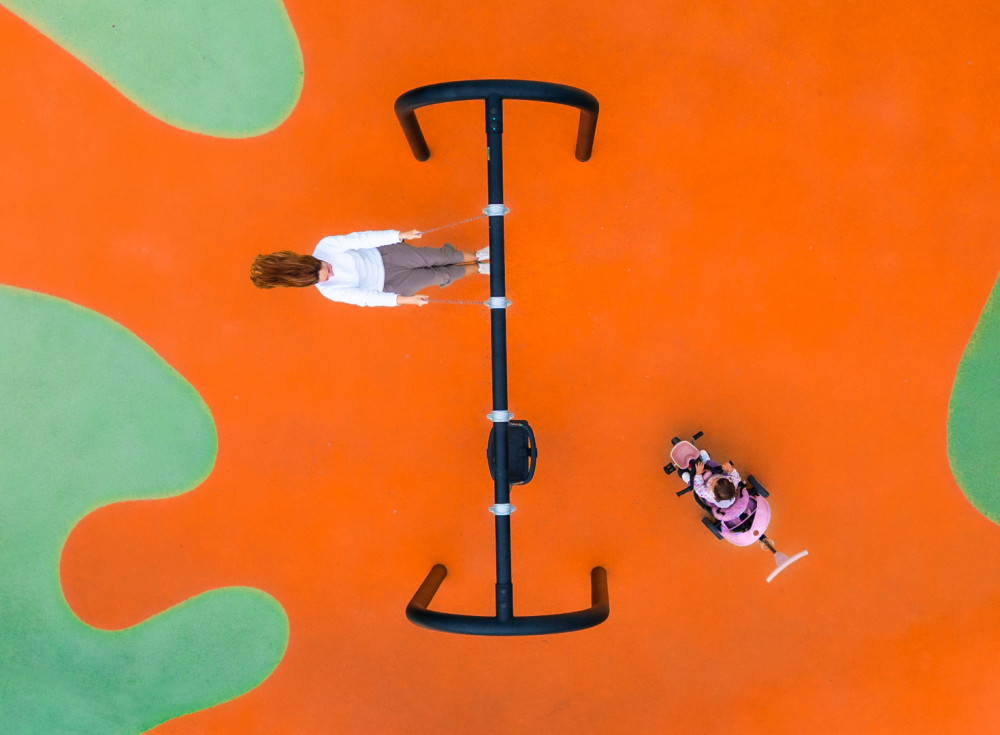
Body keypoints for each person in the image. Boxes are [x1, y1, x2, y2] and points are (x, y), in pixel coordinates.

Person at [250, 228, 490, 307]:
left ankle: (477, 255)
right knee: (440, 276)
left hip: (387, 256)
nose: (331, 274)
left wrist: (398, 235)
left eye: (327, 267)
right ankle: (478, 268)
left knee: (436, 257)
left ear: (316, 259)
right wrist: (403, 300)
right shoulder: (330, 291)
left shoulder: (326, 246)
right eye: (325, 277)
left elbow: (361, 239)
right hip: (390, 285)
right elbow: (365, 298)